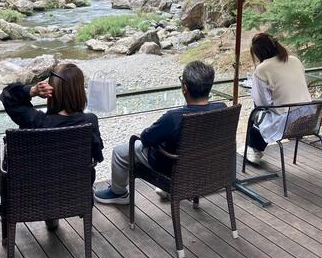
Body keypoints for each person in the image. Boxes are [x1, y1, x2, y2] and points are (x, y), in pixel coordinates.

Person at [94, 61, 225, 205]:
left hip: (172, 167)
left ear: (185, 88)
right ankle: (169, 189)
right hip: (205, 167)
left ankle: (118, 192)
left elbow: (146, 138)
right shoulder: (222, 109)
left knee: (121, 151)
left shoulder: (174, 117)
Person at [0, 63, 104, 230]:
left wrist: (31, 91)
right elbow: (96, 157)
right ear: (79, 92)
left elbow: (7, 96)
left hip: (30, 196)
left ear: (52, 91)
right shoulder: (89, 121)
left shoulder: (35, 122)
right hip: (73, 193)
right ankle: (55, 211)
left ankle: (43, 215)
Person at [245, 33, 311, 165]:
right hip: (309, 118)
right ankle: (254, 149)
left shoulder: (262, 69)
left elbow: (262, 103)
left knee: (256, 113)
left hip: (286, 123)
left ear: (259, 53)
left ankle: (255, 150)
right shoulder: (294, 60)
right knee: (262, 114)